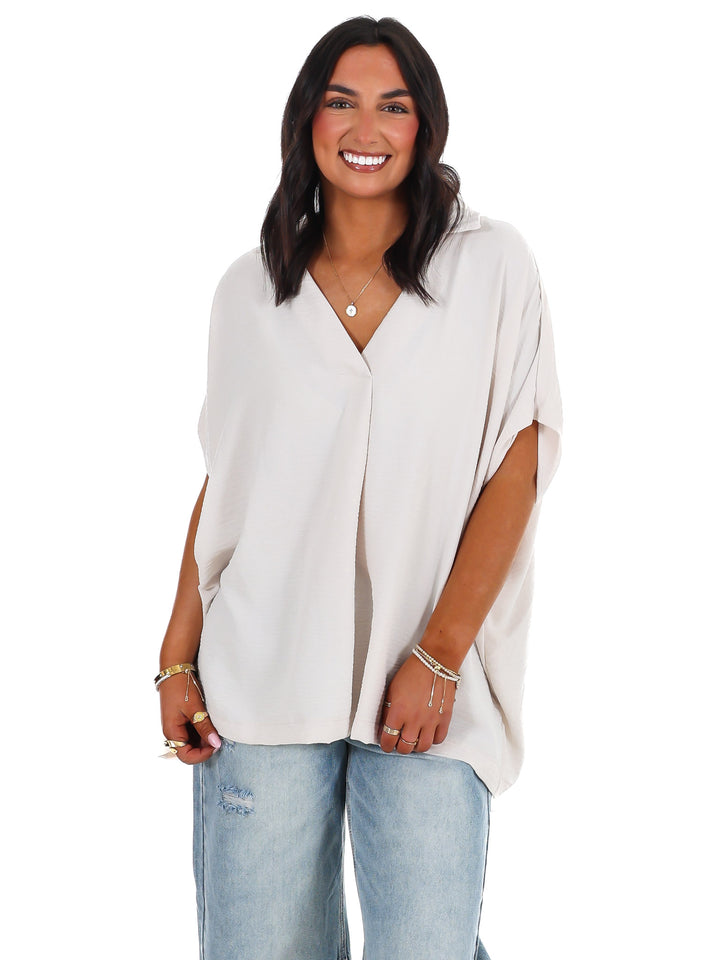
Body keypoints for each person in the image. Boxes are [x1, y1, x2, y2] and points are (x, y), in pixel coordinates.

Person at [156, 15, 562, 960]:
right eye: (342, 102)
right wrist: (176, 656)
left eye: (394, 105)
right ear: (308, 118)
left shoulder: (491, 266)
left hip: (430, 690)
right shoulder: (249, 292)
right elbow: (229, 485)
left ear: (426, 126)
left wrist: (442, 655)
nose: (366, 128)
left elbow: (521, 461)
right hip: (261, 682)